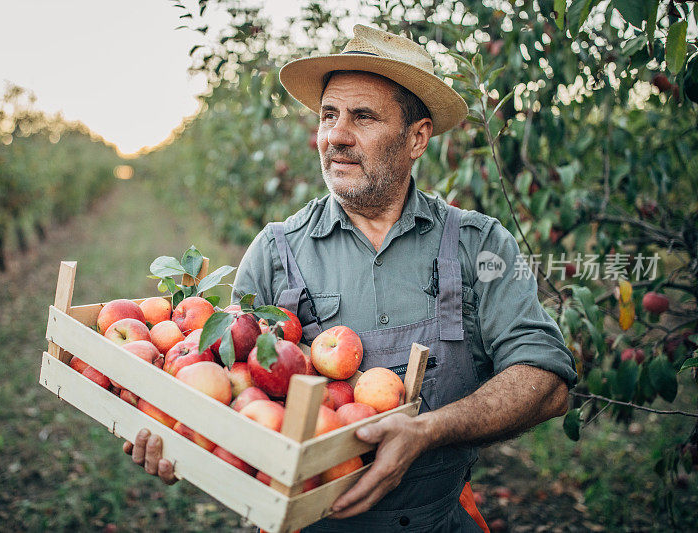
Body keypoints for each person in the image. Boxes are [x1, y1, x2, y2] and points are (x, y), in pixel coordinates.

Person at [125, 24, 578, 532]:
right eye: (328, 116)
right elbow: (235, 397)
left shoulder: (478, 244)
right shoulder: (276, 253)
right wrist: (186, 442)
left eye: (362, 116)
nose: (335, 136)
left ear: (417, 137)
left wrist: (427, 430)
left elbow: (546, 381)